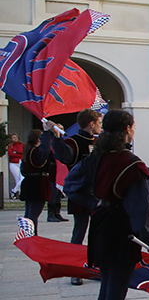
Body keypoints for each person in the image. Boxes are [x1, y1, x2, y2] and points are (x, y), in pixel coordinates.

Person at [86, 110, 149, 300]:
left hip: (101, 224)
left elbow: (72, 185)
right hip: (120, 229)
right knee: (114, 292)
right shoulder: (130, 164)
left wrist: (96, 203)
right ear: (127, 129)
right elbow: (140, 207)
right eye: (133, 126)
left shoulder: (96, 158)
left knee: (107, 289)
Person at [49, 109, 104, 284]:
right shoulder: (73, 141)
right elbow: (64, 157)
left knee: (97, 233)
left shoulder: (99, 142)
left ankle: (94, 267)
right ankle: (75, 270)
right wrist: (56, 137)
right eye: (99, 123)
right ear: (92, 123)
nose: (101, 126)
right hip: (80, 192)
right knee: (79, 232)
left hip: (97, 192)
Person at [20, 128, 55, 235]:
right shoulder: (36, 152)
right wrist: (47, 134)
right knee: (33, 214)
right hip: (37, 184)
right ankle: (31, 236)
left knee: (29, 213)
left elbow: (23, 170)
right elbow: (44, 151)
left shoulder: (28, 150)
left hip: (29, 183)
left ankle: (28, 235)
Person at [7, 133, 23, 199]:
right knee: (17, 179)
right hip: (13, 163)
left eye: (16, 137)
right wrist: (18, 154)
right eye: (13, 137)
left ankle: (14, 191)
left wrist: (16, 152)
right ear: (11, 139)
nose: (15, 138)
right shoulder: (10, 146)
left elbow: (23, 152)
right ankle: (18, 193)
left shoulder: (22, 144)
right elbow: (10, 153)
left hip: (21, 162)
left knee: (22, 178)